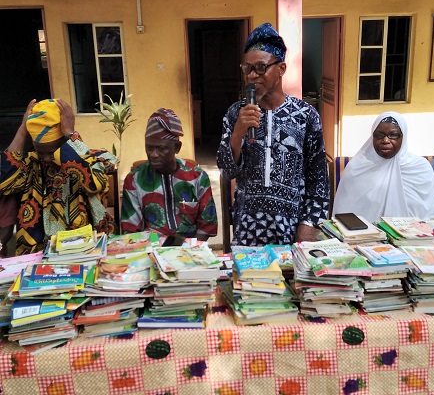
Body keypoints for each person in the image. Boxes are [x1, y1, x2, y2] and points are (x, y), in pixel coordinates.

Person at [217, 22, 330, 246]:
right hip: (247, 231)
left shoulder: (306, 115)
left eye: (261, 67)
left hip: (292, 229)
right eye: (247, 68)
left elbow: (318, 181)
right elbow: (226, 171)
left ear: (281, 69)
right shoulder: (235, 113)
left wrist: (309, 224)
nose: (252, 75)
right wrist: (238, 133)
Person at [0, 98, 118, 255]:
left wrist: (71, 134)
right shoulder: (31, 164)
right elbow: (3, 181)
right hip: (37, 255)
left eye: (52, 152)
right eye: (40, 152)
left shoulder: (94, 158)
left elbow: (95, 182)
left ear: (65, 142)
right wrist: (23, 129)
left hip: (83, 251)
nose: (47, 158)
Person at [121, 108, 218, 241]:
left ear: (177, 147)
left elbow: (206, 226)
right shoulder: (134, 180)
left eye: (162, 148)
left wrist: (186, 251)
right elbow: (131, 231)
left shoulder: (198, 177)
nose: (153, 154)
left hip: (191, 252)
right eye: (149, 148)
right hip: (149, 250)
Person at [332, 111, 434, 222]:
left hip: (417, 237)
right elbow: (343, 216)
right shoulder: (356, 168)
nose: (385, 140)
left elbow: (431, 216)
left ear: (403, 137)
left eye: (393, 135)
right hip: (365, 237)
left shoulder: (420, 169)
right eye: (379, 135)